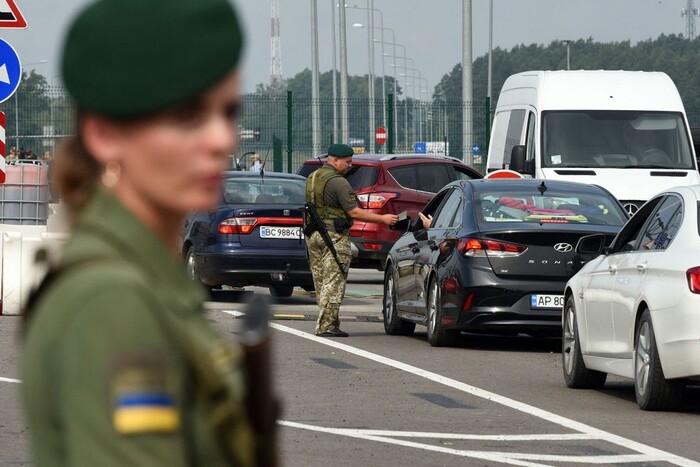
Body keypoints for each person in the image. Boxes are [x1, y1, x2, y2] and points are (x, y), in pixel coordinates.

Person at [20, 1, 269, 466]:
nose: (222, 139)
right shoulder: (111, 301)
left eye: (228, 111)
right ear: (103, 135)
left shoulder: (146, 276)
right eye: (188, 116)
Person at [306, 143, 398, 337]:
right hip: (333, 236)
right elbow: (353, 211)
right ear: (335, 160)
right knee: (334, 280)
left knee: (321, 282)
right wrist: (383, 219)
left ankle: (328, 321)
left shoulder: (313, 177)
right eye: (347, 162)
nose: (349, 165)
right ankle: (327, 326)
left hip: (314, 235)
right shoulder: (338, 182)